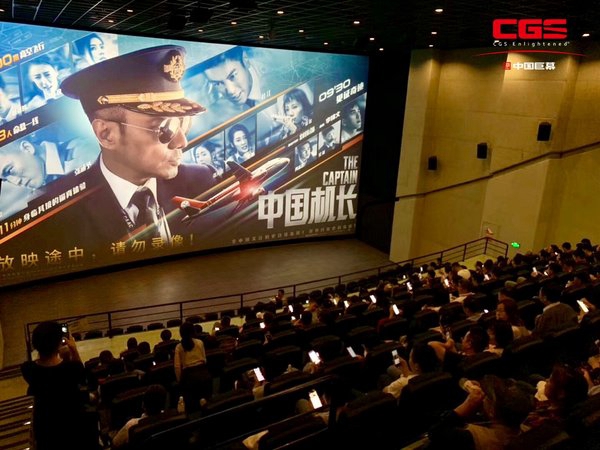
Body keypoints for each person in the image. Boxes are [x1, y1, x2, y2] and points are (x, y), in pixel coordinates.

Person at [56, 45, 217, 251]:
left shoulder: (201, 182)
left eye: (183, 123)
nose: (181, 142)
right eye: (165, 128)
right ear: (106, 134)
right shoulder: (62, 217)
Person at [20, 321, 89, 450]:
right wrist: (73, 350)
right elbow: (81, 375)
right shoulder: (71, 369)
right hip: (70, 427)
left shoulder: (27, 369)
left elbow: (44, 370)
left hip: (45, 429)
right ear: (59, 343)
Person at [427, 375, 534, 450]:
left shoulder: (471, 438)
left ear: (492, 411)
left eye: (486, 397)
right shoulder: (528, 429)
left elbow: (435, 433)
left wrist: (467, 405)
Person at [174, 321, 210, 414]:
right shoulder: (200, 343)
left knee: (191, 404)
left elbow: (177, 367)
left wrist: (180, 381)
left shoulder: (179, 347)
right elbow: (204, 360)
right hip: (203, 374)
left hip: (188, 377)